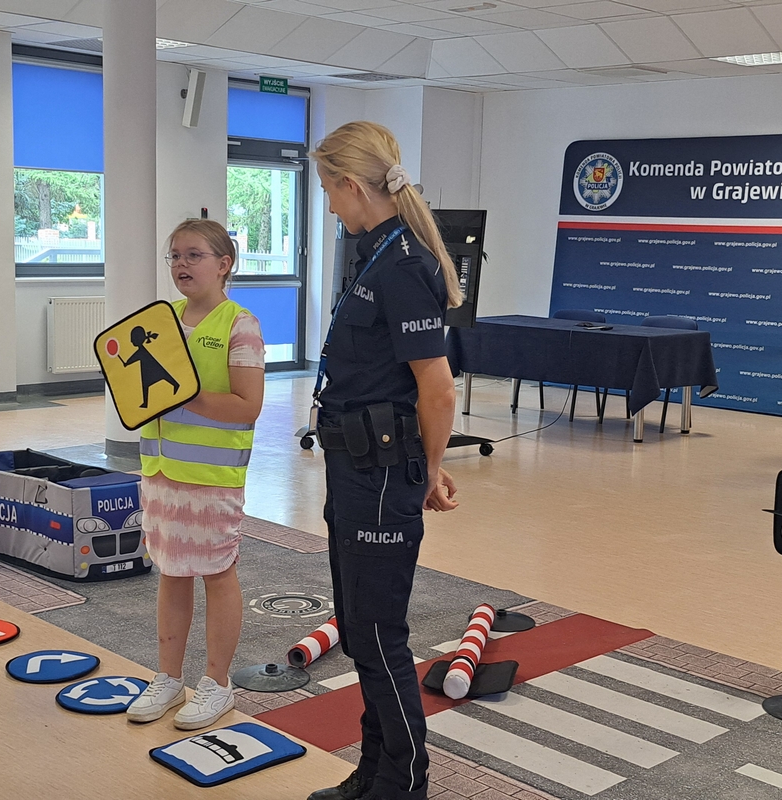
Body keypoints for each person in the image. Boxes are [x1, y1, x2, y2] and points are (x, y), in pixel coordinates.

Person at [306, 121, 462, 800]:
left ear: (350, 184)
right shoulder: (375, 254)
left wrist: (429, 468)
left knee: (376, 635)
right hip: (354, 466)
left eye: (328, 192)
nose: (329, 206)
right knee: (358, 632)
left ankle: (403, 782)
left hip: (381, 473)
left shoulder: (401, 266)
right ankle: (373, 772)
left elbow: (438, 388)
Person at [126, 219, 266, 731]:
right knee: (171, 571)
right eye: (175, 256)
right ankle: (168, 677)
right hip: (160, 471)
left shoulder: (240, 325)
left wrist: (187, 395)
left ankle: (216, 684)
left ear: (224, 264)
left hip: (212, 477)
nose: (181, 264)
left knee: (217, 573)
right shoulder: (161, 323)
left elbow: (248, 406)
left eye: (194, 255)